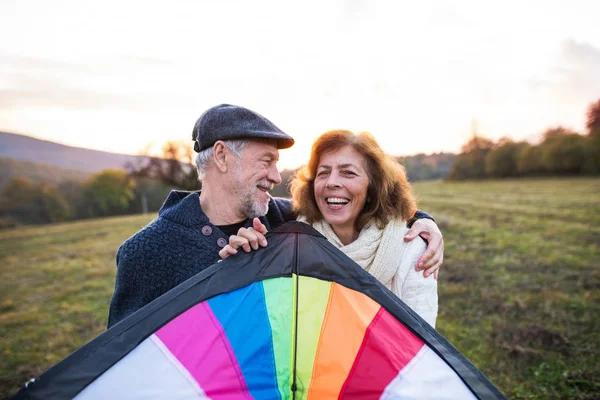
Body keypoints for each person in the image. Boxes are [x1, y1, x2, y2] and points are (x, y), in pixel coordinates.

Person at [107, 105, 443, 328]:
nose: (275, 175)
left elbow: (357, 209)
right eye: (266, 160)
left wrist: (422, 223)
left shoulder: (284, 219)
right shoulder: (147, 252)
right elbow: (125, 362)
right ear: (222, 156)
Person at [220, 130, 438, 326]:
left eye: (348, 173)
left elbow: (421, 351)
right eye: (323, 173)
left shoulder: (413, 251)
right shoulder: (292, 246)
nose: (331, 182)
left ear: (373, 186)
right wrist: (239, 268)